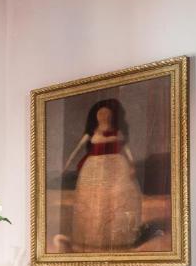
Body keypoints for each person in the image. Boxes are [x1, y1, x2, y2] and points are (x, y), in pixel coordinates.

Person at [61, 99, 142, 250]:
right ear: (96, 116)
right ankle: (95, 235)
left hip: (117, 166)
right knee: (94, 200)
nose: (104, 117)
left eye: (107, 114)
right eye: (101, 114)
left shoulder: (118, 132)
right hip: (94, 168)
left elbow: (127, 149)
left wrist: (132, 165)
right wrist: (67, 164)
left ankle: (116, 237)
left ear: (112, 116)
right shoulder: (92, 133)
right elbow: (78, 149)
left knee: (114, 200)